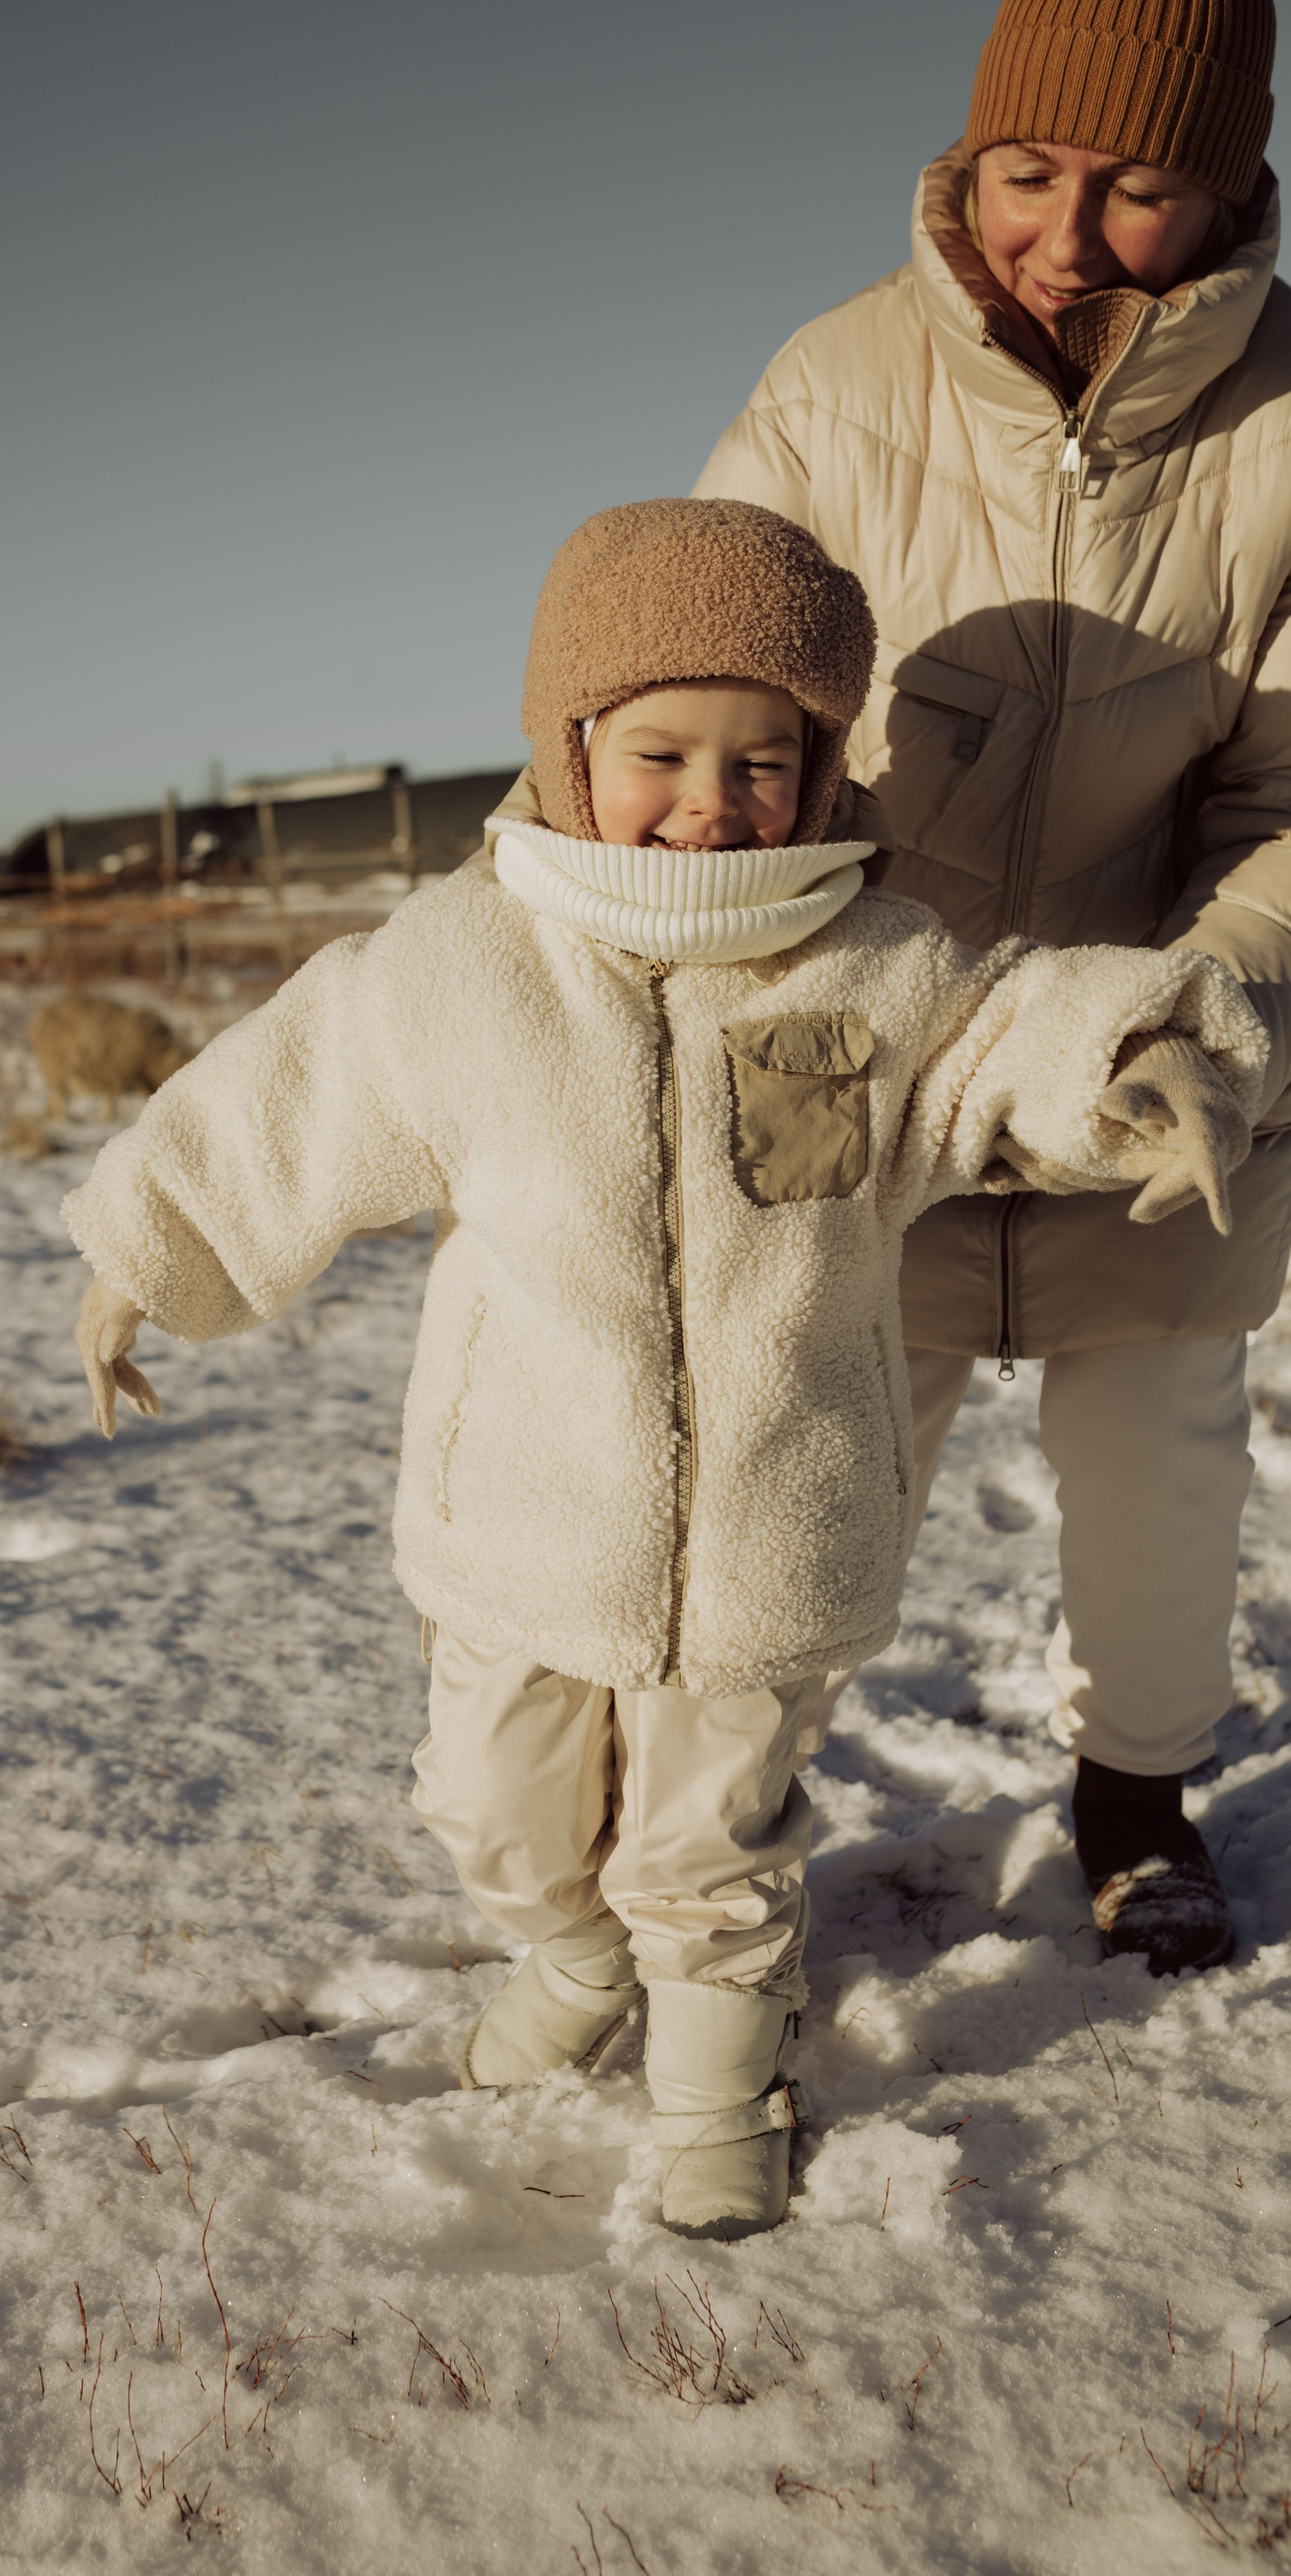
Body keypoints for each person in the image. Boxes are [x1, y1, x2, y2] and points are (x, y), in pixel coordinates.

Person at [62, 497, 1262, 2239]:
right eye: (660, 754)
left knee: (706, 1847)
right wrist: (138, 1259)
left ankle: (719, 2080)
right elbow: (284, 1105)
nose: (711, 803)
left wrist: (1142, 1057)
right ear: (568, 749)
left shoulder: (876, 959)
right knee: (497, 1812)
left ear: (823, 765)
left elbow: (1017, 1026)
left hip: (779, 1516)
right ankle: (563, 1962)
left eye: (762, 761)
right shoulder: (459, 967)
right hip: (525, 1522)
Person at [671, 0, 1291, 1977]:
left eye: (1138, 185)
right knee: (791, 1496)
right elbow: (710, 692)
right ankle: (705, 1861)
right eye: (1030, 168)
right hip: (861, 1063)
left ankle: (1137, 1791)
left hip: (1161, 1072)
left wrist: (1201, 1013)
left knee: (1160, 1481)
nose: (1071, 232)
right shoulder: (830, 384)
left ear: (1231, 185)